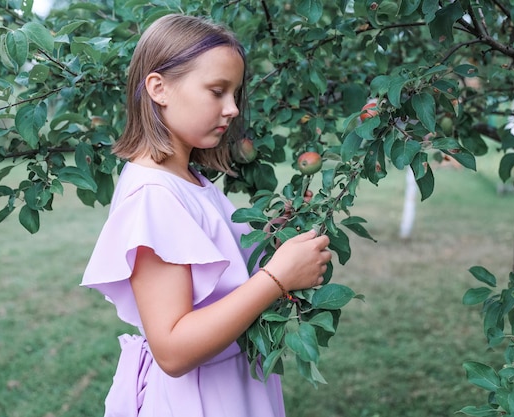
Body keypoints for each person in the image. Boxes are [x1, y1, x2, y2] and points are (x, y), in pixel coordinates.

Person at [81, 13, 332, 417]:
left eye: (235, 93)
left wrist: (270, 239)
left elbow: (218, 275)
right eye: (217, 91)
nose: (232, 109)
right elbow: (174, 350)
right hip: (199, 399)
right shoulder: (153, 195)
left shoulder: (188, 178)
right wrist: (277, 278)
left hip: (228, 385)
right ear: (159, 88)